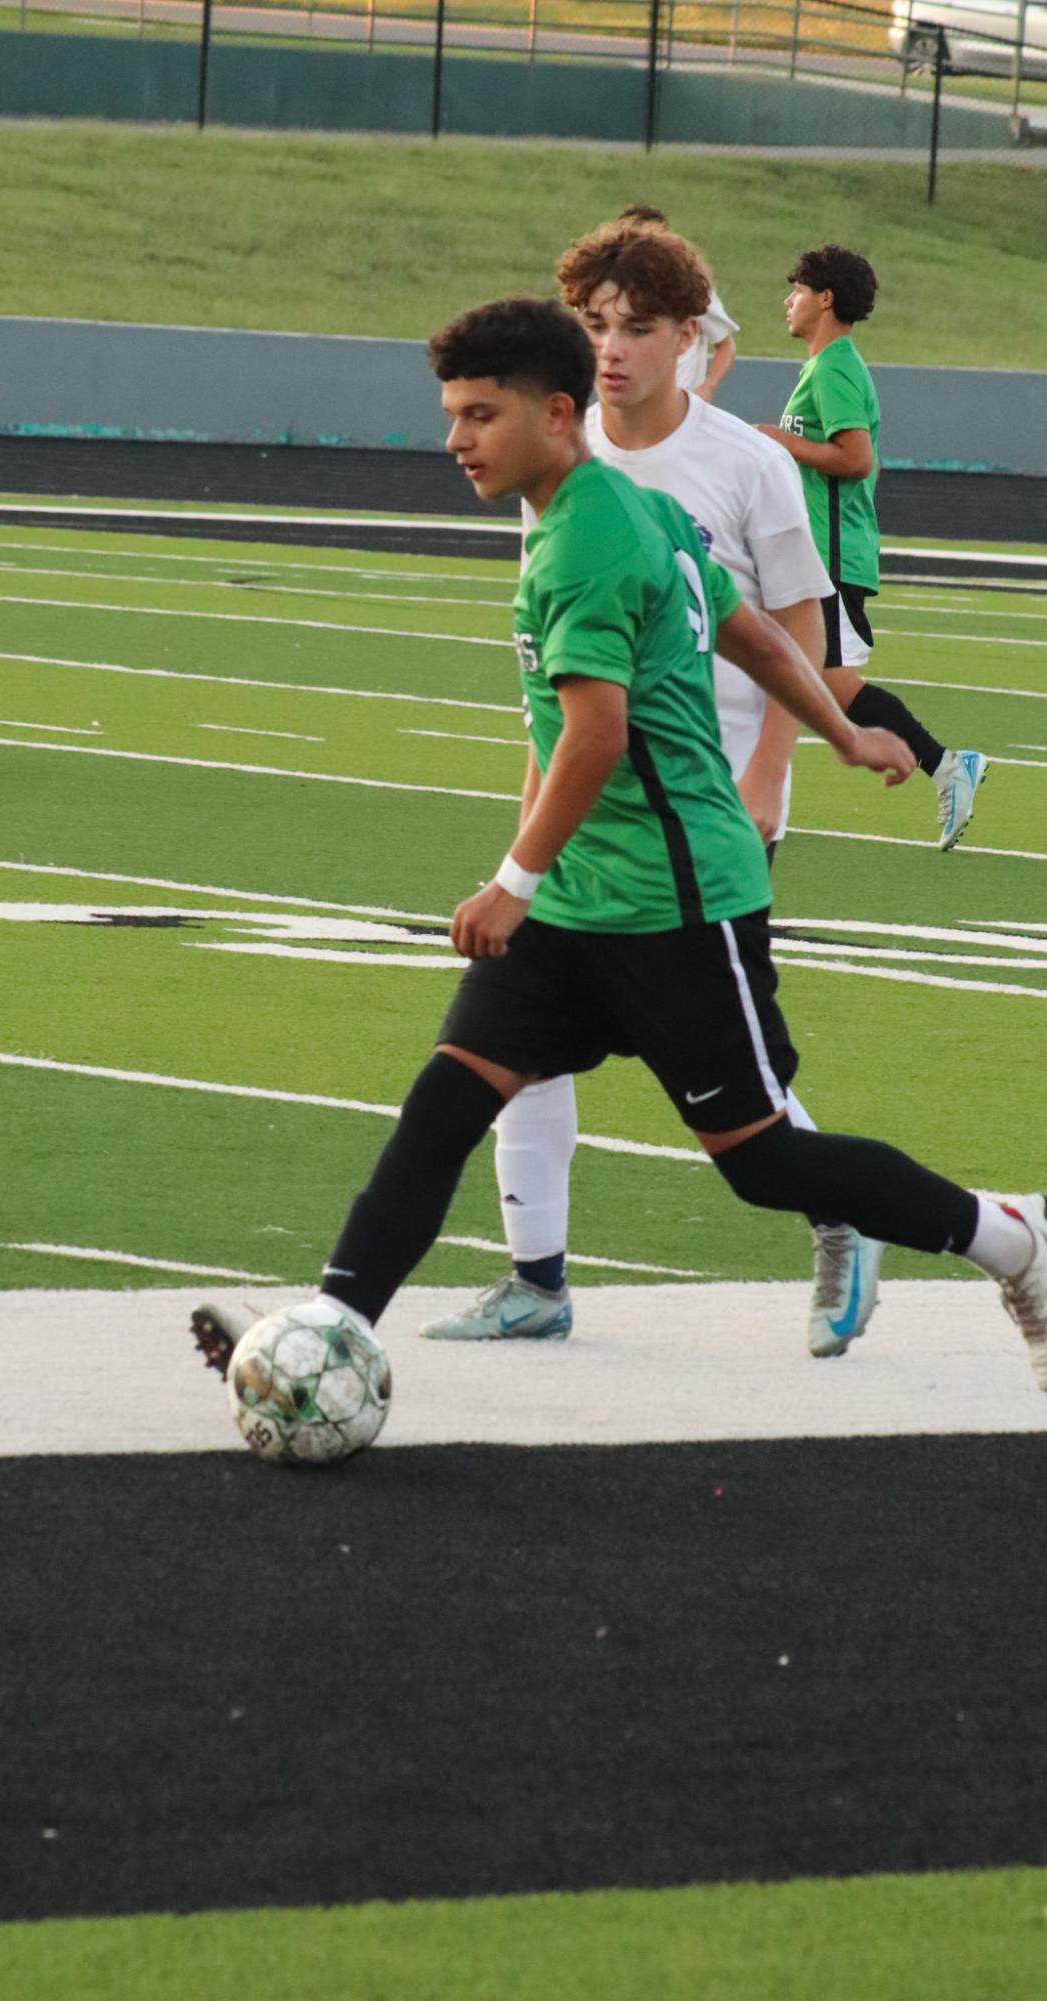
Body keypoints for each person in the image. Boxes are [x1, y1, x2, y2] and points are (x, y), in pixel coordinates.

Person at [192, 298, 1046, 1398]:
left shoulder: (588, 535)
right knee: (445, 1100)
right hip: (581, 904)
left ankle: (1014, 1243)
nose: (454, 439)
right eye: (450, 414)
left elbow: (595, 735)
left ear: (555, 415)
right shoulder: (608, 505)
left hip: (674, 900)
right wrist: (840, 727)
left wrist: (511, 880)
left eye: (478, 415)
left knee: (763, 1161)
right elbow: (738, 624)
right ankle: (333, 1322)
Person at [422, 220, 884, 1358]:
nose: (612, 350)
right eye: (593, 328)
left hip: (699, 814)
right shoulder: (552, 460)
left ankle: (844, 1213)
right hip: (581, 807)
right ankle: (535, 1277)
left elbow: (788, 628)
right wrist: (527, 827)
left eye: (635, 329)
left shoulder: (745, 462)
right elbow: (557, 669)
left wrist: (771, 767)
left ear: (691, 338)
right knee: (510, 1035)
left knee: (732, 1081)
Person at [756, 245, 984, 851]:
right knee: (803, 680)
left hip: (830, 556)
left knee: (824, 684)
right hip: (817, 553)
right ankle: (945, 766)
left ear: (825, 297)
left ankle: (946, 765)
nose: (789, 300)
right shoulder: (827, 365)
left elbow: (856, 459)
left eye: (797, 288)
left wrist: (779, 441)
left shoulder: (834, 366)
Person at [616, 203, 737, 402]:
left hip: (681, 406)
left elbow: (725, 345)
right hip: (632, 408)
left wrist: (708, 386)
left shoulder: (690, 288)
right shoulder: (613, 292)